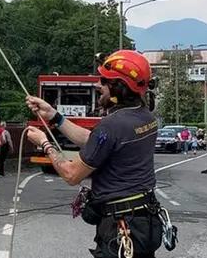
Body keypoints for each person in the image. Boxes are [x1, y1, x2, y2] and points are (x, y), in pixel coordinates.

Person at [24, 50, 164, 258]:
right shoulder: (145, 117)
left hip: (122, 226)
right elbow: (93, 140)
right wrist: (55, 116)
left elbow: (71, 174)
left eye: (103, 81)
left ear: (120, 88)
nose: (98, 85)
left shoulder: (111, 126)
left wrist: (45, 143)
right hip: (144, 223)